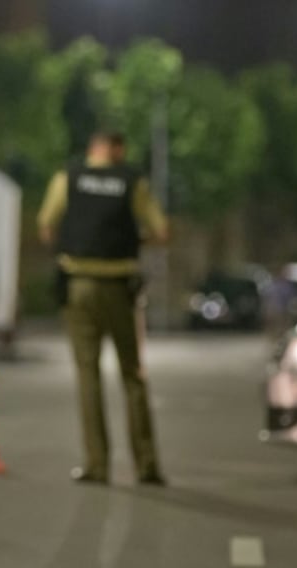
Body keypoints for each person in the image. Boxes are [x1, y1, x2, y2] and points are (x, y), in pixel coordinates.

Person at [37, 131, 170, 486]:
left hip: (78, 284)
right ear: (117, 149)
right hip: (119, 289)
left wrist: (69, 249)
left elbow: (46, 225)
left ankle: (97, 465)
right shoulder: (131, 182)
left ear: (92, 148)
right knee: (133, 375)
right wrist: (133, 240)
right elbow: (162, 230)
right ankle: (147, 465)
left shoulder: (69, 176)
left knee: (87, 375)